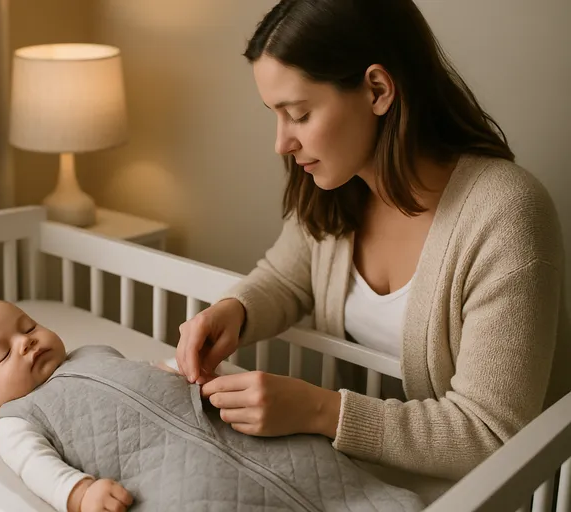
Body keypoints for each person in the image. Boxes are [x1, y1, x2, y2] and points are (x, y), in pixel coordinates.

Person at [176, 0, 570, 483]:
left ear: (377, 90)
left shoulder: (506, 214)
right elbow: (287, 276)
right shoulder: (337, 189)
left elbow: (489, 433)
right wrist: (235, 310)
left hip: (491, 491)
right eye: (275, 115)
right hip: (368, 477)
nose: (282, 142)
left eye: (298, 113)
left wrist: (322, 411)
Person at [0, 299, 426, 512]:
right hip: (173, 477)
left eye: (28, 326)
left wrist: (185, 368)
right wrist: (77, 494)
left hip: (229, 428)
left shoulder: (92, 353)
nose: (27, 343)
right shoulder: (16, 419)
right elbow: (33, 464)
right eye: (2, 353)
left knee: (311, 458)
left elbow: (148, 373)